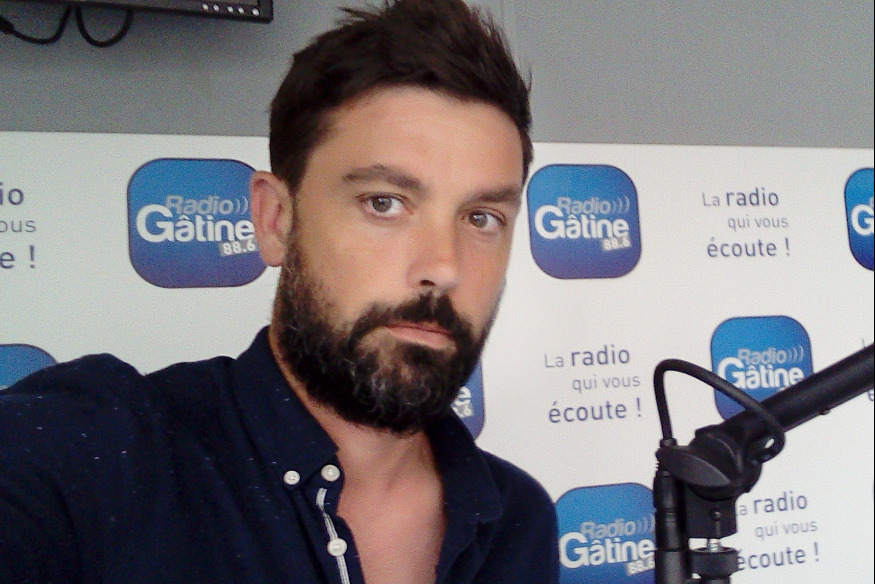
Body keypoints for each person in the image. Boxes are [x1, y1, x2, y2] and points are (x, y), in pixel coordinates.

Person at [0, 0, 559, 582]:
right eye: (384, 203)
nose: (444, 267)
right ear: (275, 221)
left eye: (482, 218)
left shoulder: (518, 522)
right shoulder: (100, 458)